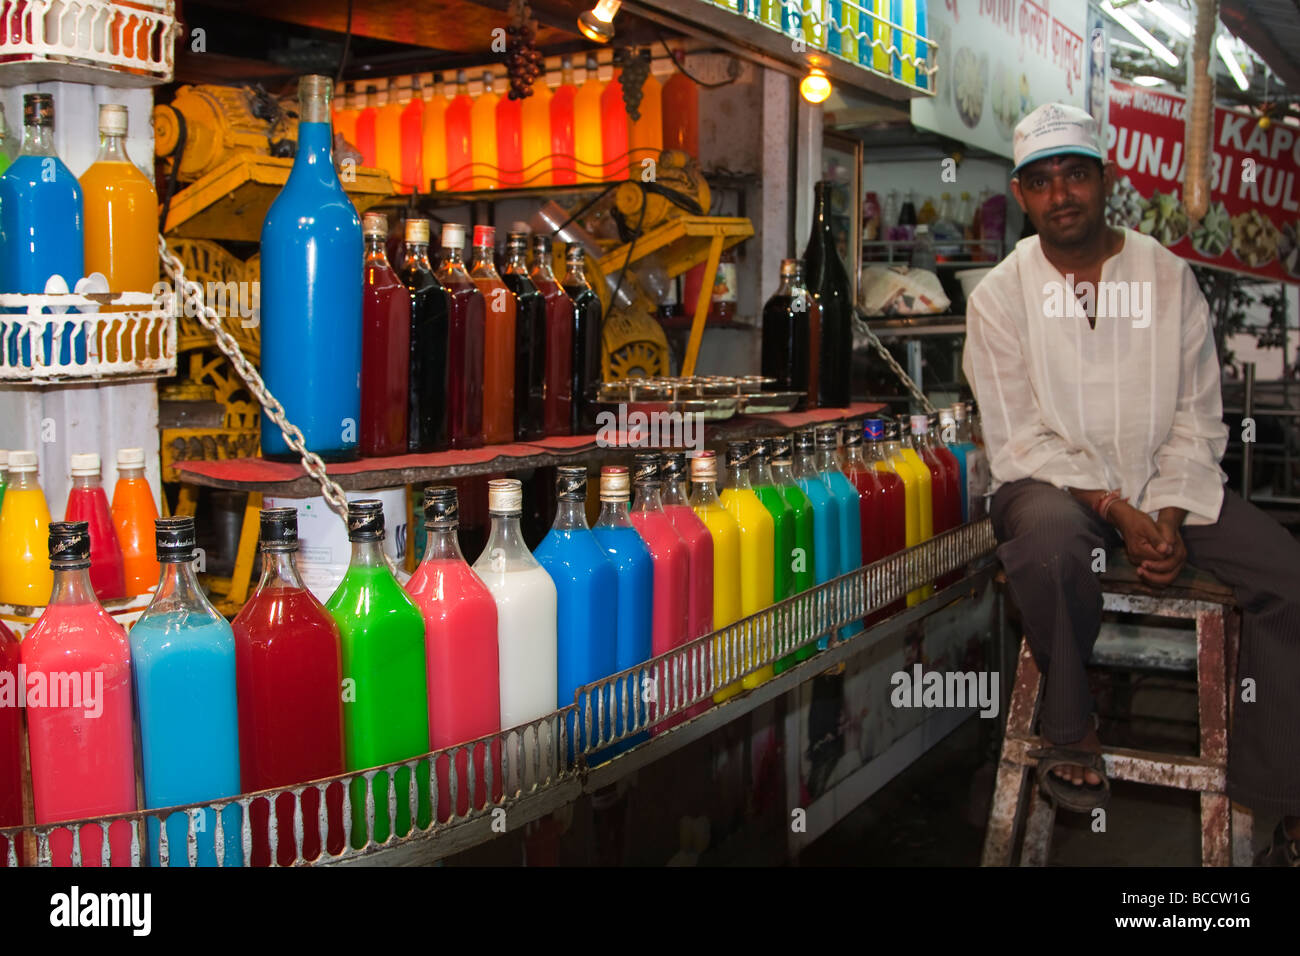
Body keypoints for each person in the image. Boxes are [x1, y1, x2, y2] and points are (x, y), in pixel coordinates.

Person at [962, 103, 1300, 865]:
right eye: (1042, 182)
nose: (1061, 195)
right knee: (1048, 543)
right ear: (1022, 195)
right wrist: (1113, 507)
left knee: (1288, 576)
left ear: (1103, 180)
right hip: (1050, 484)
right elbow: (1018, 437)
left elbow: (1198, 417)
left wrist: (1170, 515)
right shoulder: (999, 298)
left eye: (1075, 175)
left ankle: (1282, 798)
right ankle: (1070, 726)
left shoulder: (1166, 276)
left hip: (1164, 477)